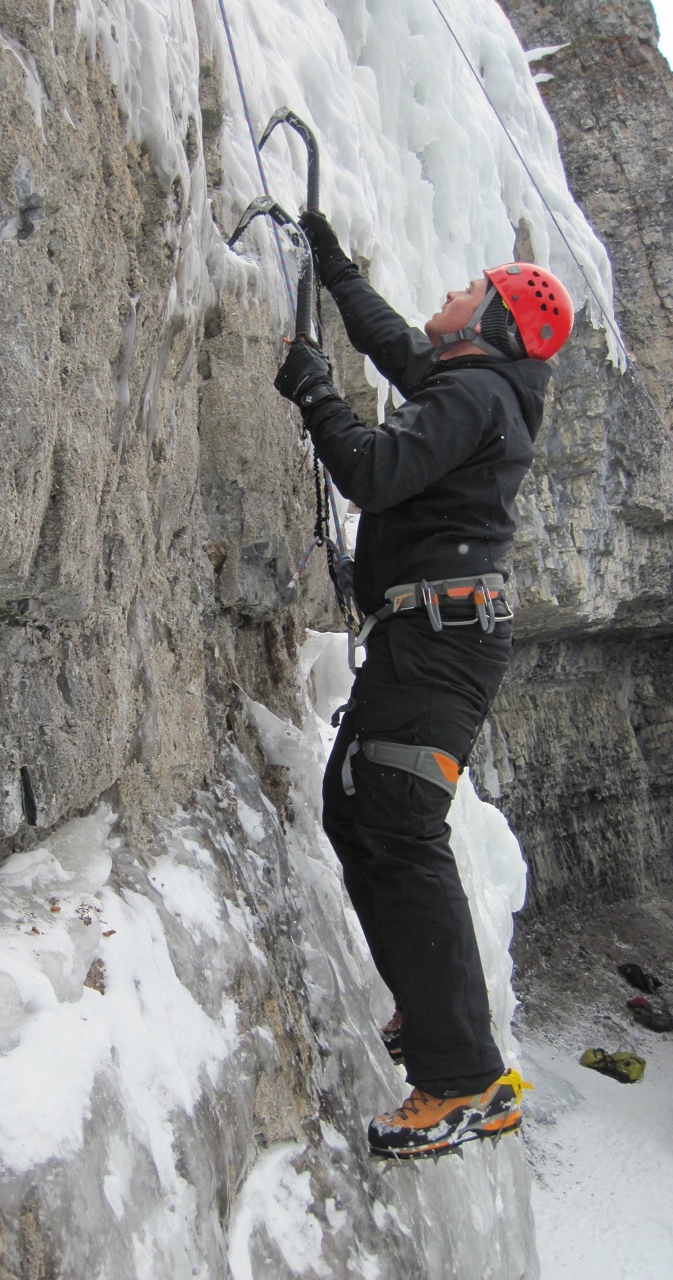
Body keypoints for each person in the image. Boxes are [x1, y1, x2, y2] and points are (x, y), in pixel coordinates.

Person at [273, 210, 573, 1160]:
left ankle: (464, 1079)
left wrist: (314, 390)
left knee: (398, 826)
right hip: (435, 636)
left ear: (492, 322)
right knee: (355, 811)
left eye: (470, 288)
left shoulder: (475, 393)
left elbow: (371, 470)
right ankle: (433, 1011)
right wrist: (332, 265)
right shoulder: (474, 384)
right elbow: (397, 340)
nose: (451, 291)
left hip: (440, 643)